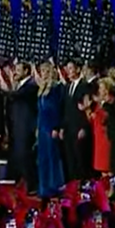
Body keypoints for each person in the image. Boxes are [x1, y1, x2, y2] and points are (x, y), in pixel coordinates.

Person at [6, 62, 38, 190]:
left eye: (19, 70)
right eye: (15, 69)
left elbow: (17, 95)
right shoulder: (19, 86)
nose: (15, 72)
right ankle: (21, 185)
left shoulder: (31, 86)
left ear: (26, 71)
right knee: (18, 157)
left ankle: (31, 186)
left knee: (25, 157)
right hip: (17, 127)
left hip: (26, 128)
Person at [35, 62, 65, 197]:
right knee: (43, 158)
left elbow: (58, 109)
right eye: (42, 71)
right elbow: (40, 111)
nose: (44, 74)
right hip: (42, 127)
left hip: (51, 127)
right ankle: (44, 188)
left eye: (47, 71)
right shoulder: (41, 89)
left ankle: (55, 187)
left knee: (53, 157)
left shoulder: (56, 88)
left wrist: (56, 127)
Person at [83, 77, 112, 175]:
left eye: (101, 88)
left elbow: (107, 118)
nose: (99, 90)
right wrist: (88, 110)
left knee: (108, 166)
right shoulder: (97, 104)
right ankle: (105, 187)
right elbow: (92, 120)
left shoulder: (109, 102)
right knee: (102, 168)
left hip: (106, 137)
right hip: (98, 137)